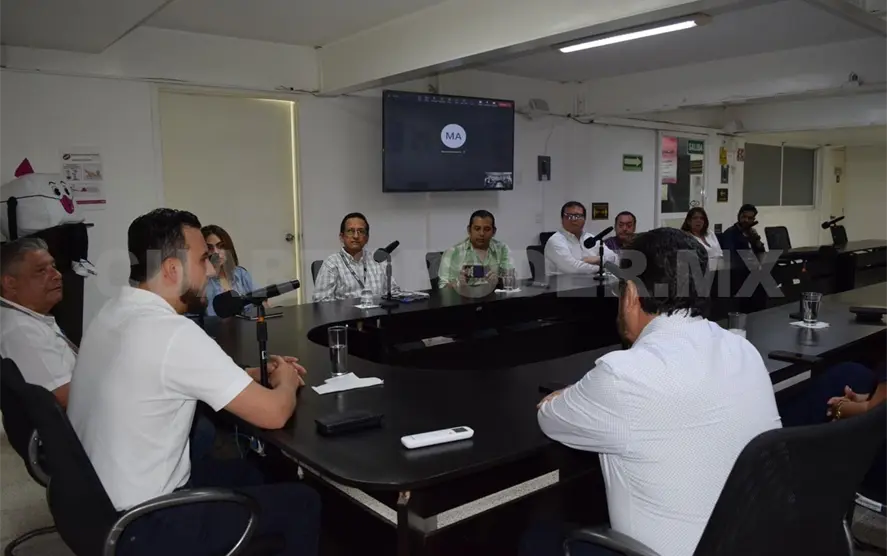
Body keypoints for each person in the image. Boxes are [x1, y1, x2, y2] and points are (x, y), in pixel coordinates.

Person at [67, 209, 319, 556]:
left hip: (95, 505)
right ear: (172, 269)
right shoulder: (173, 333)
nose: (212, 270)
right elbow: (274, 413)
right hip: (144, 524)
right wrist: (287, 381)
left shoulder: (112, 312)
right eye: (203, 260)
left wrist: (249, 375)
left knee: (252, 473)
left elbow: (167, 374)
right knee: (303, 502)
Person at [526, 227, 781, 556]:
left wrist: (566, 395)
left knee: (536, 538)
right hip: (758, 543)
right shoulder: (743, 349)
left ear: (631, 293)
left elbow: (550, 417)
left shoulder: (623, 375)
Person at [0, 238, 76, 407]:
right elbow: (63, 396)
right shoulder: (21, 329)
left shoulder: (30, 316)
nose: (57, 275)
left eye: (54, 267)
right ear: (10, 283)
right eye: (41, 271)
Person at [313, 212, 397, 302]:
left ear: (367, 238)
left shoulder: (377, 260)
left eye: (361, 231)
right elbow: (321, 301)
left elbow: (394, 293)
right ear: (342, 237)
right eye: (350, 231)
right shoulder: (331, 263)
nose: (356, 236)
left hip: (378, 310)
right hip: (346, 311)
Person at [438, 210, 513, 291]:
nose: (482, 233)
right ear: (469, 230)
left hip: (495, 297)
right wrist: (459, 284)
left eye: (487, 229)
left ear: (494, 231)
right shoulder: (452, 252)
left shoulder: (502, 249)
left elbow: (510, 278)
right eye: (477, 229)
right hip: (462, 298)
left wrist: (498, 281)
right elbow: (442, 288)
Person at [545, 201, 618, 276]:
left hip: (594, 282)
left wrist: (598, 259)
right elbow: (573, 268)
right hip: (564, 283)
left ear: (584, 219)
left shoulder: (590, 238)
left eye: (578, 216)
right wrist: (603, 268)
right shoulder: (555, 240)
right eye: (569, 216)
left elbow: (615, 258)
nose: (574, 219)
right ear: (562, 219)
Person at [201, 225, 260, 317]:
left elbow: (262, 301)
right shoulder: (200, 281)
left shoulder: (241, 274)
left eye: (221, 246)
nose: (216, 252)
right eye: (210, 248)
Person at [719, 204, 765, 269]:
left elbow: (761, 252)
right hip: (739, 271)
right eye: (744, 217)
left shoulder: (751, 234)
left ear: (753, 220)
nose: (746, 220)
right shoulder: (730, 233)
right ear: (739, 216)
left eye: (750, 218)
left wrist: (756, 239)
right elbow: (730, 258)